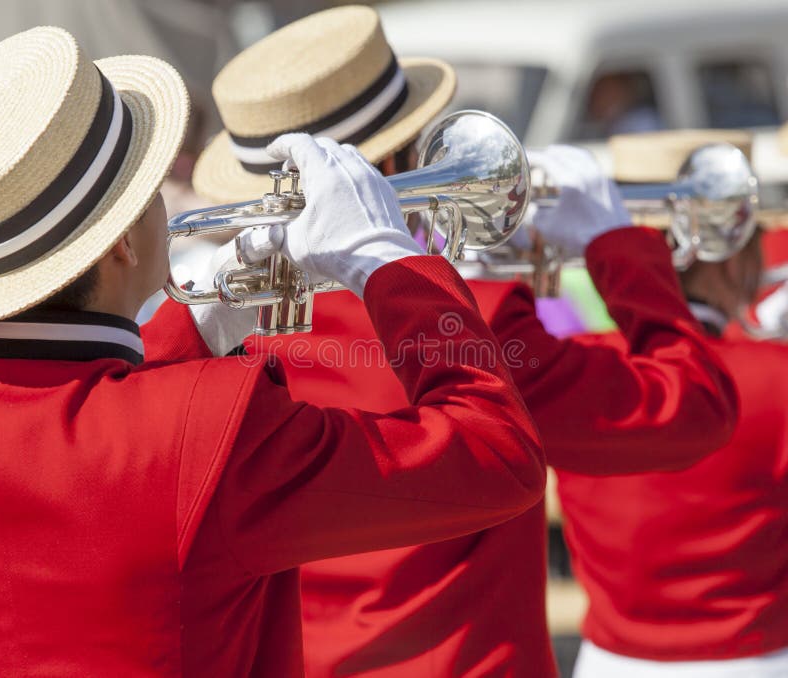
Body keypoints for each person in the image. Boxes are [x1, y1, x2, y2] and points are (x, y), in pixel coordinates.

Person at [192, 8, 739, 677]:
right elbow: (691, 408)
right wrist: (613, 245)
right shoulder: (477, 330)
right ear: (396, 161)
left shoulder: (212, 341)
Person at [0, 26, 549, 677]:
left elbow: (99, 440)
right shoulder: (203, 426)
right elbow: (497, 453)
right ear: (122, 245)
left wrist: (200, 320)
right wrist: (385, 258)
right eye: (149, 193)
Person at [556, 131, 788, 678]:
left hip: (608, 663)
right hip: (756, 659)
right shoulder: (773, 374)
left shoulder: (573, 366)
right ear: (730, 247)